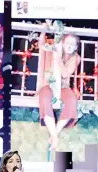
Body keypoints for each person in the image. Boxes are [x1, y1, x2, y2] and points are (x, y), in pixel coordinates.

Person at [37, 22, 81, 150]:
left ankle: (55, 133)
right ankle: (55, 137)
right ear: (63, 43)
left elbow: (66, 73)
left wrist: (57, 59)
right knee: (45, 98)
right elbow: (41, 45)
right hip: (49, 84)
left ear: (76, 47)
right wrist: (43, 31)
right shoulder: (56, 48)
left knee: (72, 100)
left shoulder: (76, 58)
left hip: (63, 87)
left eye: (72, 44)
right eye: (67, 43)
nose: (69, 46)